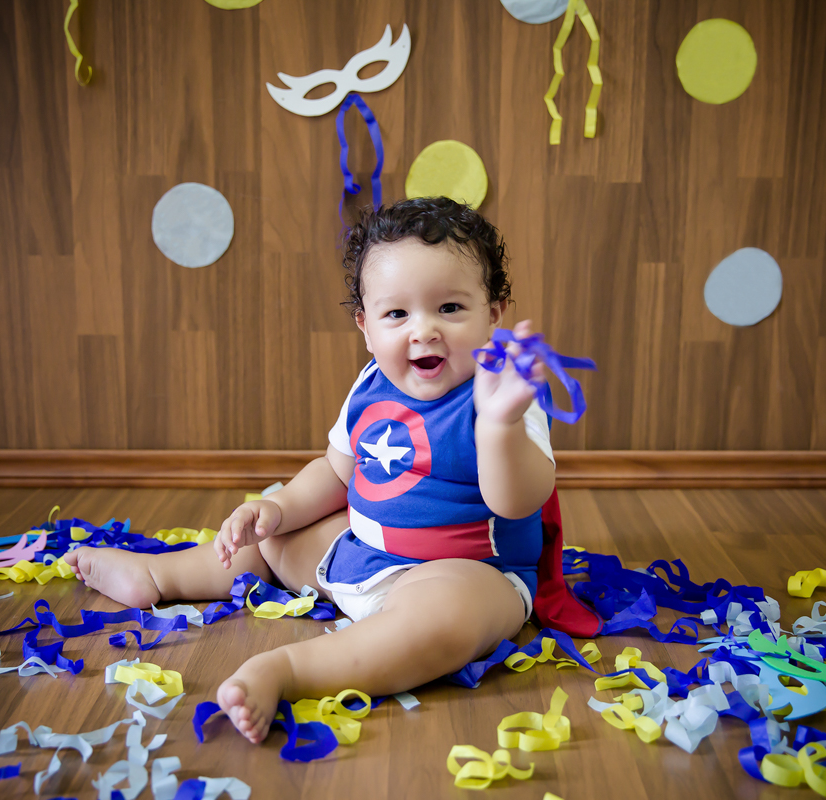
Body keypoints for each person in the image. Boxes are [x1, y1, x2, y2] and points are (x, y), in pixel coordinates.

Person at [63, 197, 559, 744]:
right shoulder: (370, 385)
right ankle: (162, 577)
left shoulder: (501, 397)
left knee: (453, 613)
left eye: (450, 309)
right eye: (397, 314)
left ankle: (293, 670)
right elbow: (336, 471)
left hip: (464, 570)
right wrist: (276, 509)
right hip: (362, 555)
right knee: (274, 534)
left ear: (494, 313)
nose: (423, 331)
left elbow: (517, 500)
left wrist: (499, 426)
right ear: (365, 326)